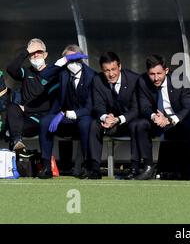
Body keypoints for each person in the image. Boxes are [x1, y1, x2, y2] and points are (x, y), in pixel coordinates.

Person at [134, 54, 190, 180]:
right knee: (140, 125)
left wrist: (170, 120)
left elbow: (188, 107)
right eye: (152, 74)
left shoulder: (179, 80)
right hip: (157, 120)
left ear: (166, 70)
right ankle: (148, 167)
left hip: (178, 119)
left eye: (159, 73)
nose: (155, 78)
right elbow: (144, 107)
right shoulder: (142, 81)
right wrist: (155, 117)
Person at [37, 44, 95, 179]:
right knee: (45, 121)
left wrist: (68, 113)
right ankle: (46, 166)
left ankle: (87, 166)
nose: (72, 63)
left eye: (74, 59)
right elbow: (43, 75)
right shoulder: (63, 73)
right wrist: (62, 61)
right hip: (63, 116)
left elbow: (90, 107)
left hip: (83, 115)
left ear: (80, 59)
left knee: (86, 123)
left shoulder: (91, 76)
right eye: (69, 60)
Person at [86, 52, 141, 179]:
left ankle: (135, 168)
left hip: (128, 120)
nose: (111, 74)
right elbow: (98, 105)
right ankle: (94, 169)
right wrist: (105, 117)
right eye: (106, 70)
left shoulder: (134, 79)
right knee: (94, 124)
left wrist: (118, 119)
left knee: (137, 125)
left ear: (120, 66)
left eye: (113, 69)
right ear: (101, 70)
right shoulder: (97, 80)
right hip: (110, 122)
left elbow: (136, 109)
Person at [5, 38, 58, 151]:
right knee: (12, 107)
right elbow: (11, 69)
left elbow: (52, 103)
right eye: (32, 53)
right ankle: (16, 142)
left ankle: (16, 141)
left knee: (13, 127)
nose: (36, 55)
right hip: (25, 116)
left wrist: (27, 108)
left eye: (39, 52)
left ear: (46, 55)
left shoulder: (53, 73)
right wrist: (26, 51)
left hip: (42, 118)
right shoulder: (27, 72)